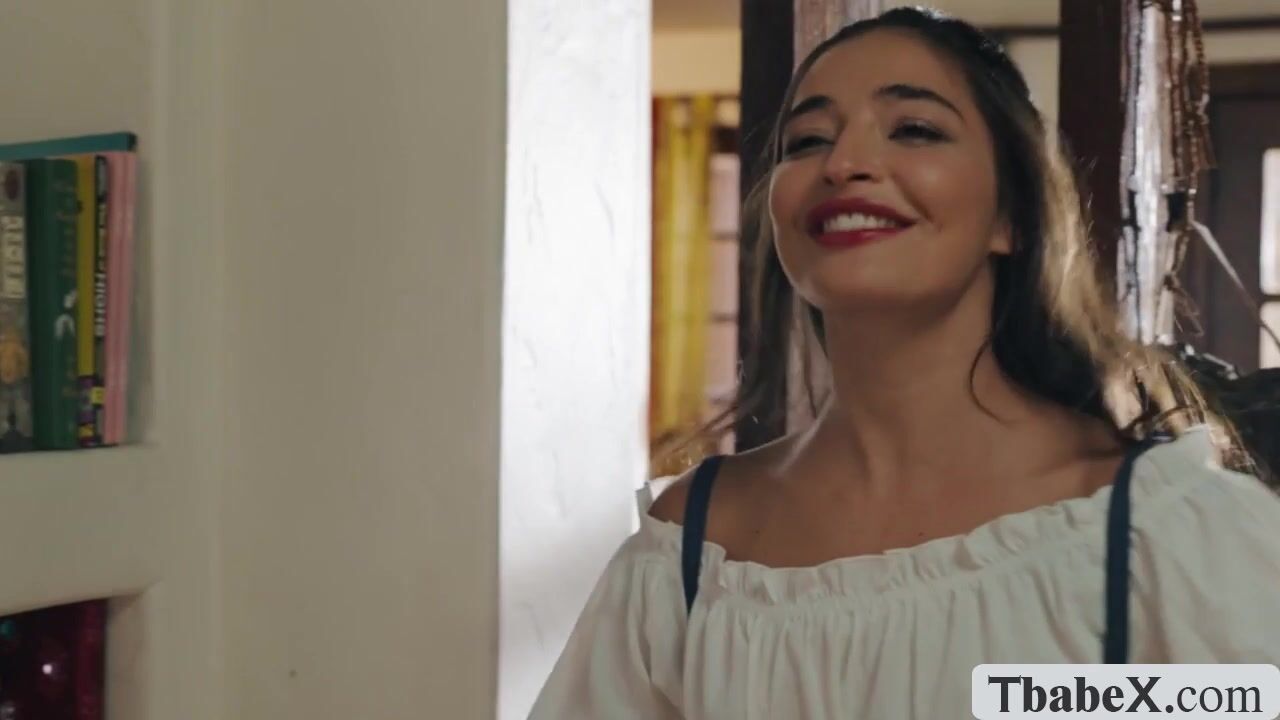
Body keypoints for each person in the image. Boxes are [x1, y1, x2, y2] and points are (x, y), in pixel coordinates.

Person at [530, 8, 1280, 718]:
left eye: (915, 129)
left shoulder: (1160, 533)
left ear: (1011, 216)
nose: (845, 163)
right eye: (807, 141)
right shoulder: (689, 551)